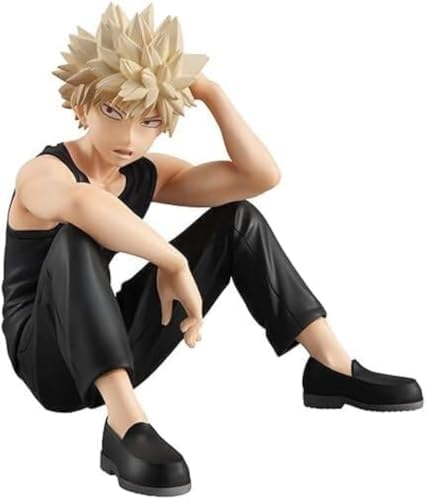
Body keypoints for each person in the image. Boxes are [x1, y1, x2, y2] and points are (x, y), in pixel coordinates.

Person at [1, 2, 423, 497]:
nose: (129, 137)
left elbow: (258, 176)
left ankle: (331, 366)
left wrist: (210, 92)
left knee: (236, 217)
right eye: (113, 112)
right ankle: (125, 425)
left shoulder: (142, 173)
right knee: (75, 237)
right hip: (48, 360)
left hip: (107, 338)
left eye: (149, 120)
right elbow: (82, 203)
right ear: (81, 104)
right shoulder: (43, 173)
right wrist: (172, 260)